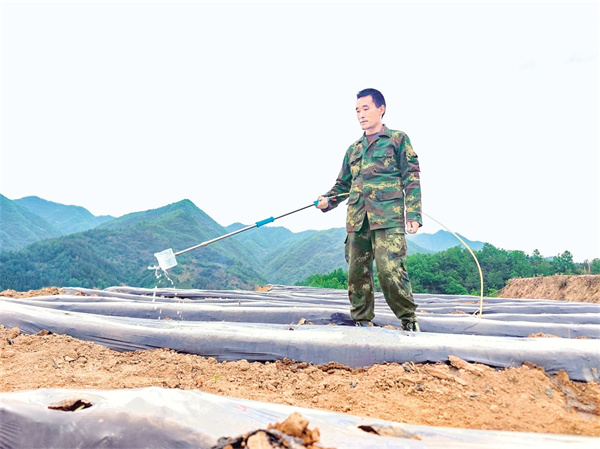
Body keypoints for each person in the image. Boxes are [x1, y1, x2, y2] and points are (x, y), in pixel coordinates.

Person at [316, 88, 422, 331]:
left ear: (381, 109)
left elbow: (411, 177)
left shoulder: (398, 139)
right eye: (357, 110)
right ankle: (361, 320)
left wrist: (414, 213)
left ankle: (408, 319)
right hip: (357, 218)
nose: (361, 115)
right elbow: (342, 185)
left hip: (388, 217)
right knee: (357, 274)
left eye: (366, 108)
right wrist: (327, 200)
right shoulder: (353, 149)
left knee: (389, 270)